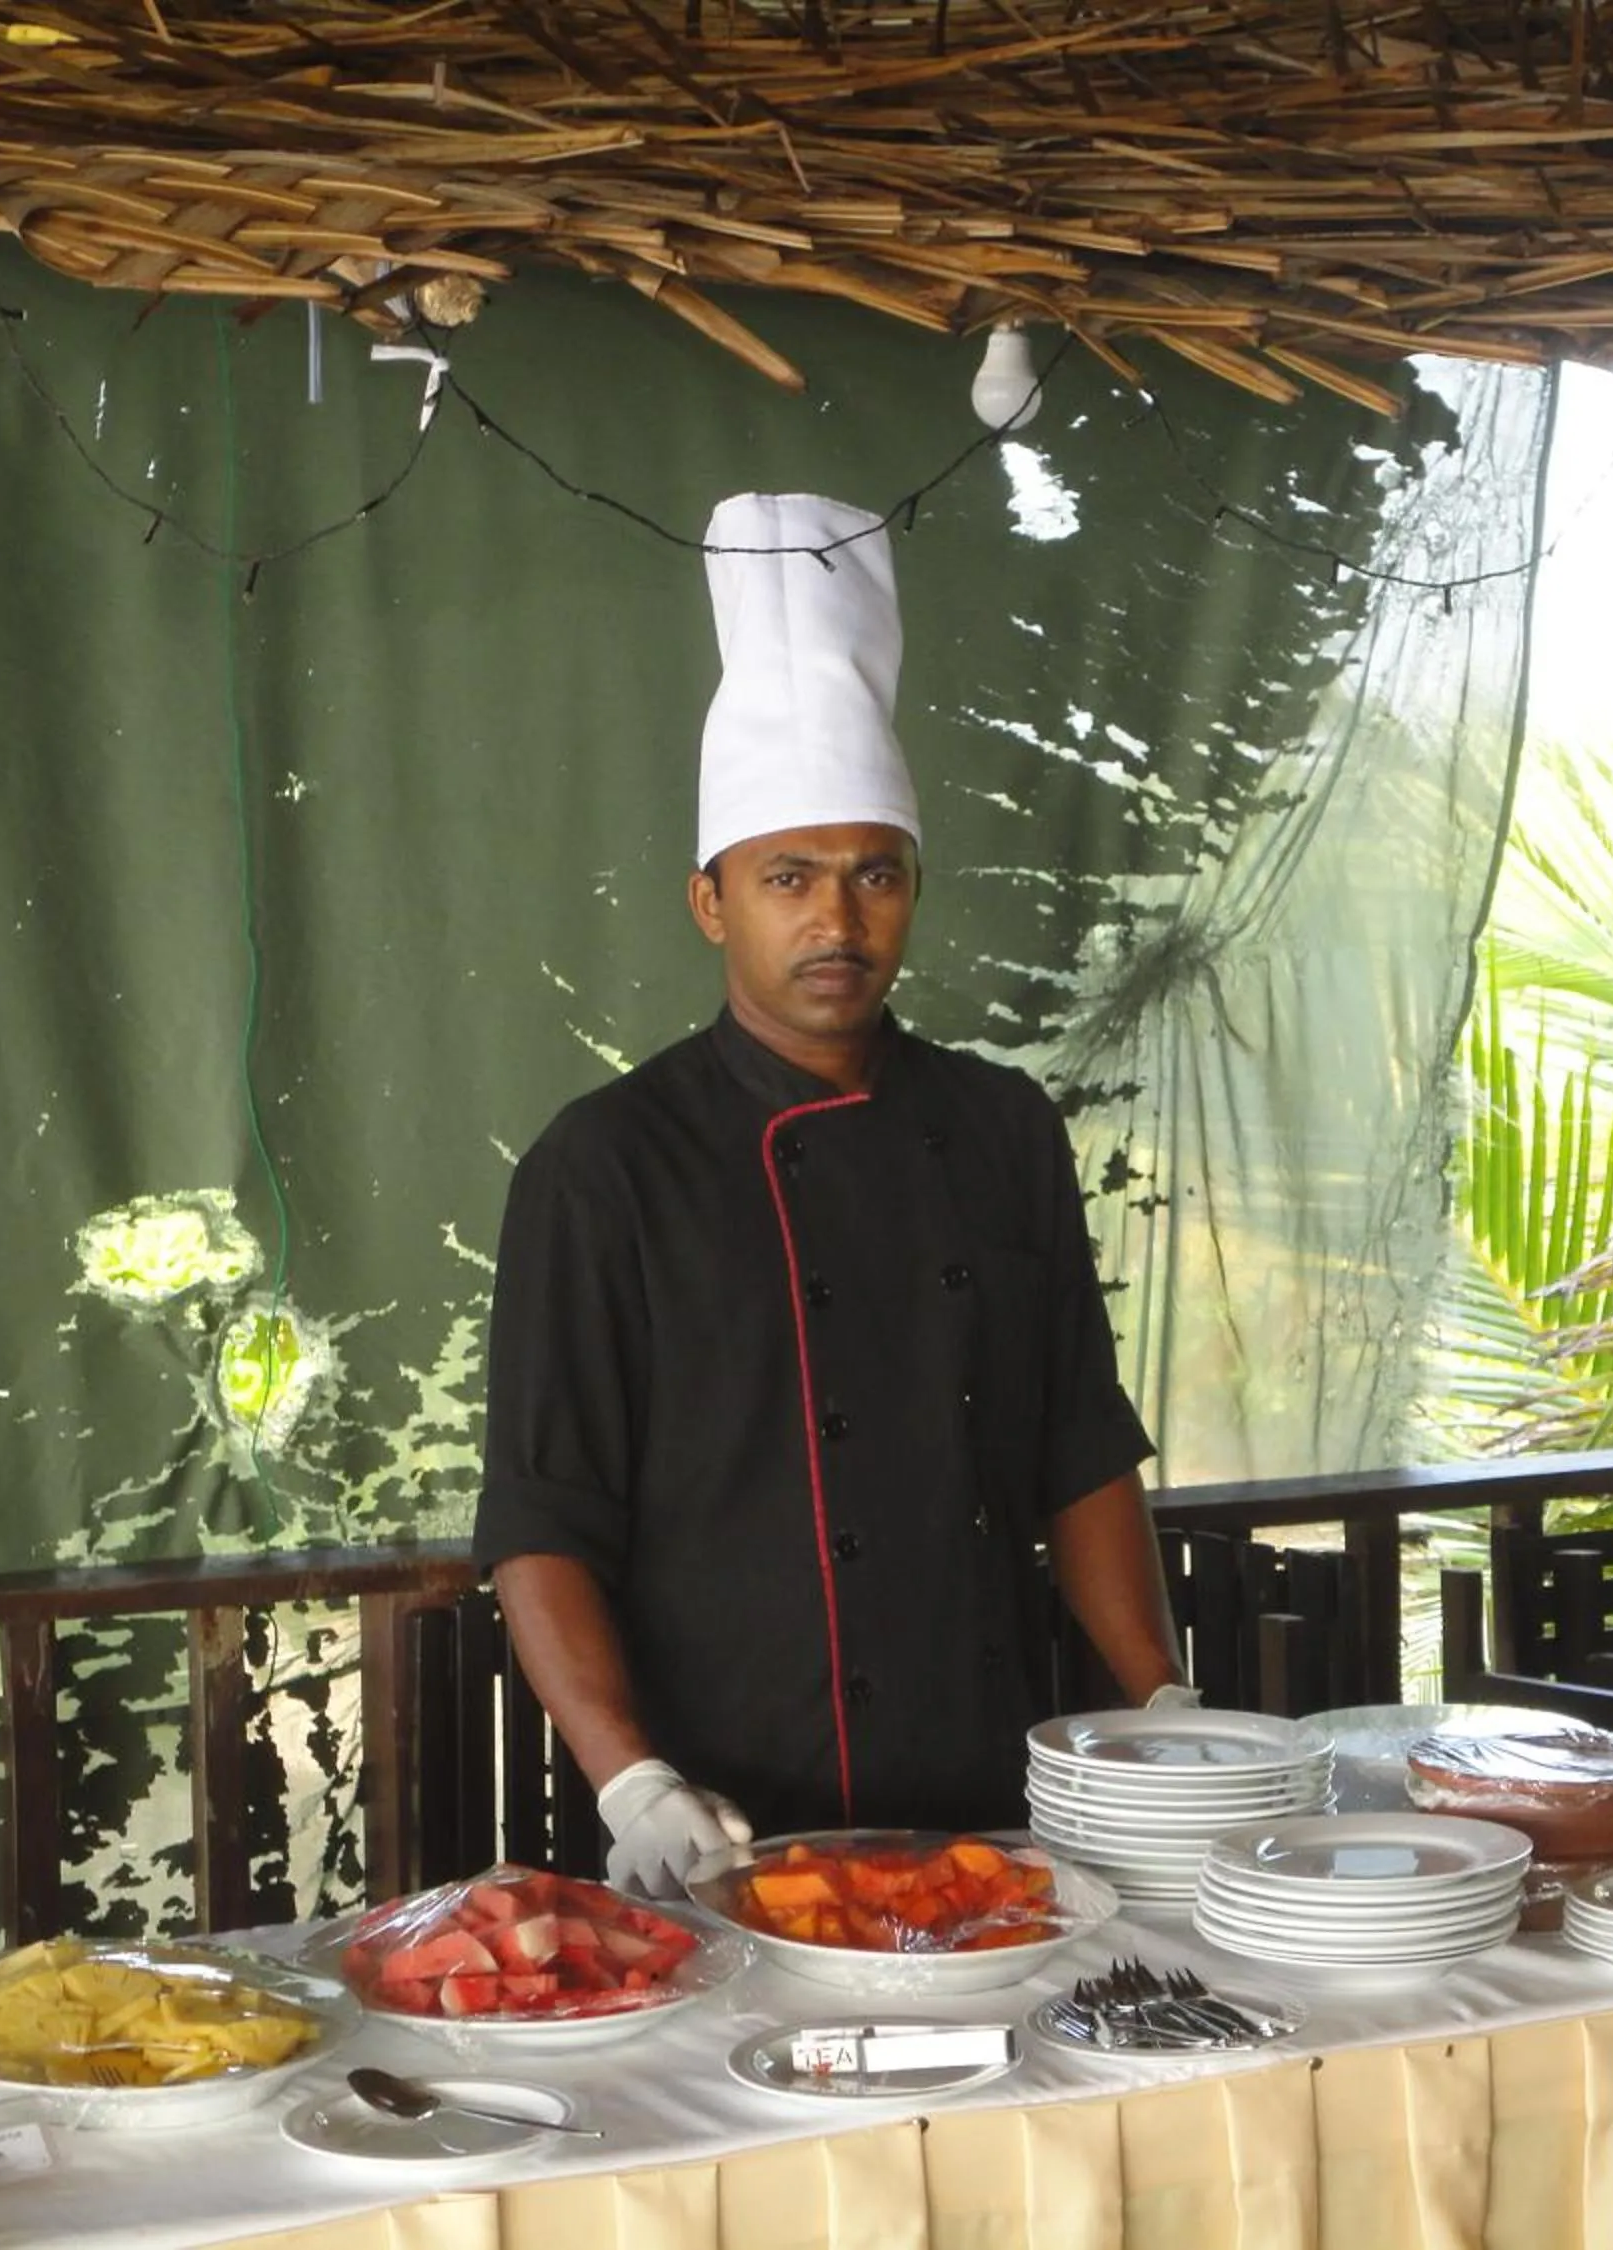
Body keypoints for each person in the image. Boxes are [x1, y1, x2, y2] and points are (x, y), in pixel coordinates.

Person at [475, 491, 1193, 1897]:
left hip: (1001, 1809)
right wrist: (633, 1779)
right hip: (726, 1823)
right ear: (711, 900)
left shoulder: (1000, 1128)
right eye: (788, 876)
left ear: (915, 888)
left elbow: (1081, 1452)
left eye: (875, 876)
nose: (836, 920)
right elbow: (540, 1518)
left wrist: (1163, 1703)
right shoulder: (606, 1164)